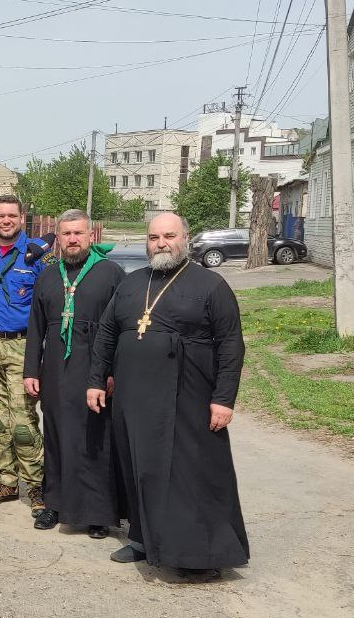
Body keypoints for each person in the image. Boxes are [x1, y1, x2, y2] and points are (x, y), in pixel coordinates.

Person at [87, 211, 250, 582]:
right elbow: (107, 335)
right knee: (138, 468)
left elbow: (230, 346)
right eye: (154, 237)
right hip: (133, 398)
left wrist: (224, 399)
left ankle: (198, 553)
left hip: (188, 396)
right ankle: (143, 539)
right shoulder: (131, 284)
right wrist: (96, 379)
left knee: (189, 474)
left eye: (169, 236)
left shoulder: (211, 286)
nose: (161, 243)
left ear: (185, 238)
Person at [23, 209, 124, 536]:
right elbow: (36, 327)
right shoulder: (48, 276)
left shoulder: (111, 273)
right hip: (54, 367)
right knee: (55, 435)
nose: (72, 239)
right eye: (66, 234)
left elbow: (122, 329)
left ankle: (96, 513)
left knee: (93, 437)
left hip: (95, 366)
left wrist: (111, 372)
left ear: (89, 235)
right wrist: (30, 370)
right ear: (59, 237)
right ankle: (55, 504)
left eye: (78, 233)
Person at [0, 195, 52, 512]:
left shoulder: (38, 257)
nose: (6, 220)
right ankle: (6, 481)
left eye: (11, 216)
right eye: (0, 216)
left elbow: (53, 302)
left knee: (23, 421)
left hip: (22, 345)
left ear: (22, 218)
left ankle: (35, 486)